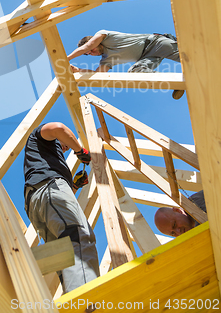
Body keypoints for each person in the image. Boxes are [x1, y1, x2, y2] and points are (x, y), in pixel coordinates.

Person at [24, 122, 100, 293]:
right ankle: (88, 302)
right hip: (48, 189)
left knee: (65, 257)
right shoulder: (39, 137)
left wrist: (74, 185)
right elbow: (59, 128)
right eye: (65, 144)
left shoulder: (43, 159)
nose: (66, 148)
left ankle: (74, 300)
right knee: (78, 237)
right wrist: (80, 151)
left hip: (39, 203)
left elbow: (54, 204)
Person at [67, 30, 183, 99]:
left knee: (187, 57)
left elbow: (86, 47)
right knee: (135, 72)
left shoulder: (103, 35)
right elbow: (98, 74)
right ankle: (177, 84)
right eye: (88, 54)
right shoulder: (106, 60)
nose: (91, 52)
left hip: (155, 43)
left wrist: (66, 59)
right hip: (146, 57)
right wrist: (78, 70)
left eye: (91, 49)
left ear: (93, 42)